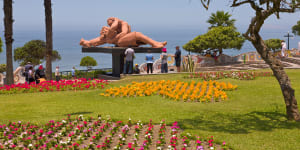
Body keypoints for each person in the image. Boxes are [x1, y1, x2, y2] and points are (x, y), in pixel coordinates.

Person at [80, 17, 167, 48]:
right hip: (120, 42)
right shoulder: (111, 32)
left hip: (121, 41)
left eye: (111, 24)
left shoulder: (123, 24)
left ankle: (156, 43)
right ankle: (154, 44)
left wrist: (113, 38)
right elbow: (100, 40)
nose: (110, 26)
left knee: (138, 34)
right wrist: (88, 42)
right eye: (109, 25)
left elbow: (124, 33)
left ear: (115, 21)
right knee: (138, 34)